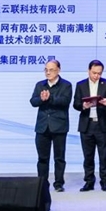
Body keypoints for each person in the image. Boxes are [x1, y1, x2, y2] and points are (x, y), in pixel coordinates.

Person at [73, 59, 106, 192]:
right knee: (88, 156)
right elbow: (75, 104)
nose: (96, 76)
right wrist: (83, 106)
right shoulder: (80, 85)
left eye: (99, 73)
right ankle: (89, 182)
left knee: (104, 156)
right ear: (88, 71)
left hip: (103, 124)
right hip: (87, 125)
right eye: (94, 73)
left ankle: (104, 182)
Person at [29, 59, 72, 192]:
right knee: (42, 158)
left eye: (51, 70)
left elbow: (65, 101)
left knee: (59, 158)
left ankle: (58, 183)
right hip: (42, 127)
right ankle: (42, 184)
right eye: (46, 70)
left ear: (58, 70)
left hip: (59, 126)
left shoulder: (66, 85)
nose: (48, 72)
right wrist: (41, 99)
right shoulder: (40, 85)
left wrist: (50, 98)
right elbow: (33, 101)